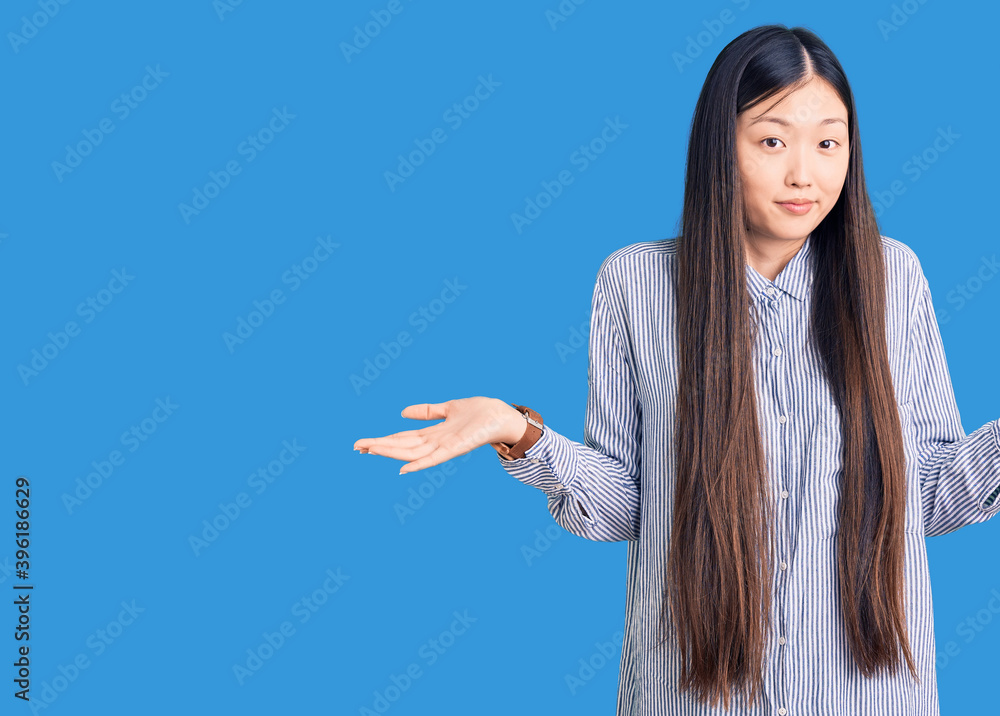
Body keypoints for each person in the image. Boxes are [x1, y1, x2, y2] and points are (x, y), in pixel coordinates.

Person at [352, 24, 1000, 715]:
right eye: (773, 140)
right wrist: (517, 431)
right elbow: (625, 503)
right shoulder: (636, 284)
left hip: (867, 695)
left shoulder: (893, 278)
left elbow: (927, 492)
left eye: (828, 142)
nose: (804, 174)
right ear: (721, 146)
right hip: (694, 695)